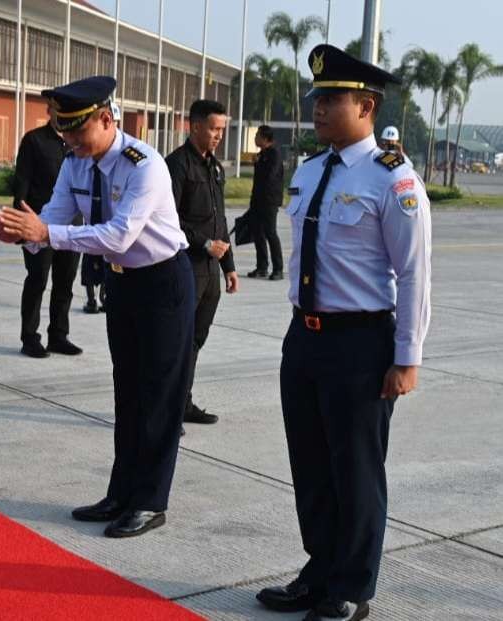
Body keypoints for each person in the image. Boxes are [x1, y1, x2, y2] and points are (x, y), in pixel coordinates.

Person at [255, 45, 431, 621]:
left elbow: (412, 274)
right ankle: (321, 569)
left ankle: (353, 586)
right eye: (318, 99)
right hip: (303, 337)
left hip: (360, 343)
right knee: (310, 463)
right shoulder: (309, 170)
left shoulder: (394, 180)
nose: (320, 108)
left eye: (332, 99)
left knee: (355, 469)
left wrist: (407, 358)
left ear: (367, 105)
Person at [0, 76, 194, 539]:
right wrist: (21, 235)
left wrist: (44, 234)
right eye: (64, 132)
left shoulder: (144, 165)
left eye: (77, 131)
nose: (70, 141)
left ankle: (151, 501)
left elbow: (118, 235)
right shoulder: (75, 164)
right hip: (123, 286)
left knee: (158, 396)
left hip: (163, 284)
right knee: (128, 393)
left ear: (105, 118)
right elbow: (52, 219)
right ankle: (121, 493)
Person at [165, 99, 238, 427]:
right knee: (175, 343)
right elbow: (169, 219)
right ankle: (167, 413)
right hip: (185, 268)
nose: (218, 135)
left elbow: (220, 220)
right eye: (214, 128)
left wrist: (229, 266)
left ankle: (184, 403)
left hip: (210, 271)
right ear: (194, 126)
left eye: (222, 129)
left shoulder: (215, 167)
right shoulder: (177, 165)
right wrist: (204, 243)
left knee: (195, 341)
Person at [13, 106, 82, 358]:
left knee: (65, 282)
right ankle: (30, 337)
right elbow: (22, 182)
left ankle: (59, 335)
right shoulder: (35, 140)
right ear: (49, 111)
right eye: (57, 109)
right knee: (37, 280)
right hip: (38, 224)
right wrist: (20, 225)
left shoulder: (77, 142)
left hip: (71, 226)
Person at [247, 125, 285, 280]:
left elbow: (269, 177)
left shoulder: (274, 154)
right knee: (258, 234)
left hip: (269, 201)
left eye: (257, 135)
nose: (255, 138)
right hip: (257, 200)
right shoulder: (262, 154)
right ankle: (262, 267)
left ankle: (278, 269)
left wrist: (259, 163)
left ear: (265, 138)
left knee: (270, 233)